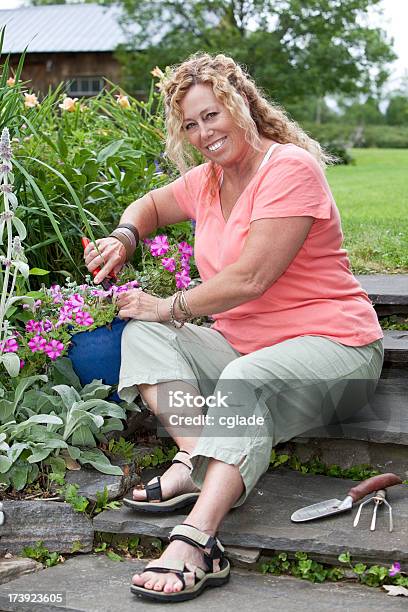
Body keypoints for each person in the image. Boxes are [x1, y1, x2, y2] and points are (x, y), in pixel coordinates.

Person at [84, 53, 383, 602]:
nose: (203, 133)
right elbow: (150, 205)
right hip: (244, 345)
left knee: (233, 371)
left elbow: (251, 279)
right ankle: (199, 459)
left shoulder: (289, 168)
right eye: (190, 125)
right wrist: (125, 237)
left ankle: (197, 537)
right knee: (143, 334)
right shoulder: (208, 180)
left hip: (336, 351)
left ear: (241, 104)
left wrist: (167, 304)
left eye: (211, 116)